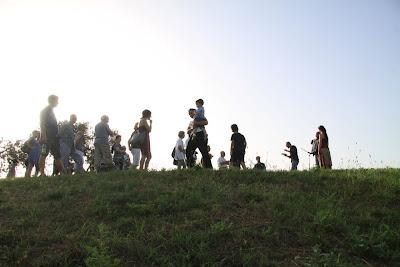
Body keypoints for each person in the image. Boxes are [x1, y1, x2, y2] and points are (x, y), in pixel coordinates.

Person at [38, 95, 64, 176]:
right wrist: (44, 135)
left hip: (54, 137)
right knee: (44, 154)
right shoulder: (45, 111)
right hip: (48, 136)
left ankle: (63, 173)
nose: (57, 102)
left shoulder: (52, 111)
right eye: (56, 100)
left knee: (57, 155)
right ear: (52, 100)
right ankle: (42, 173)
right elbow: (42, 124)